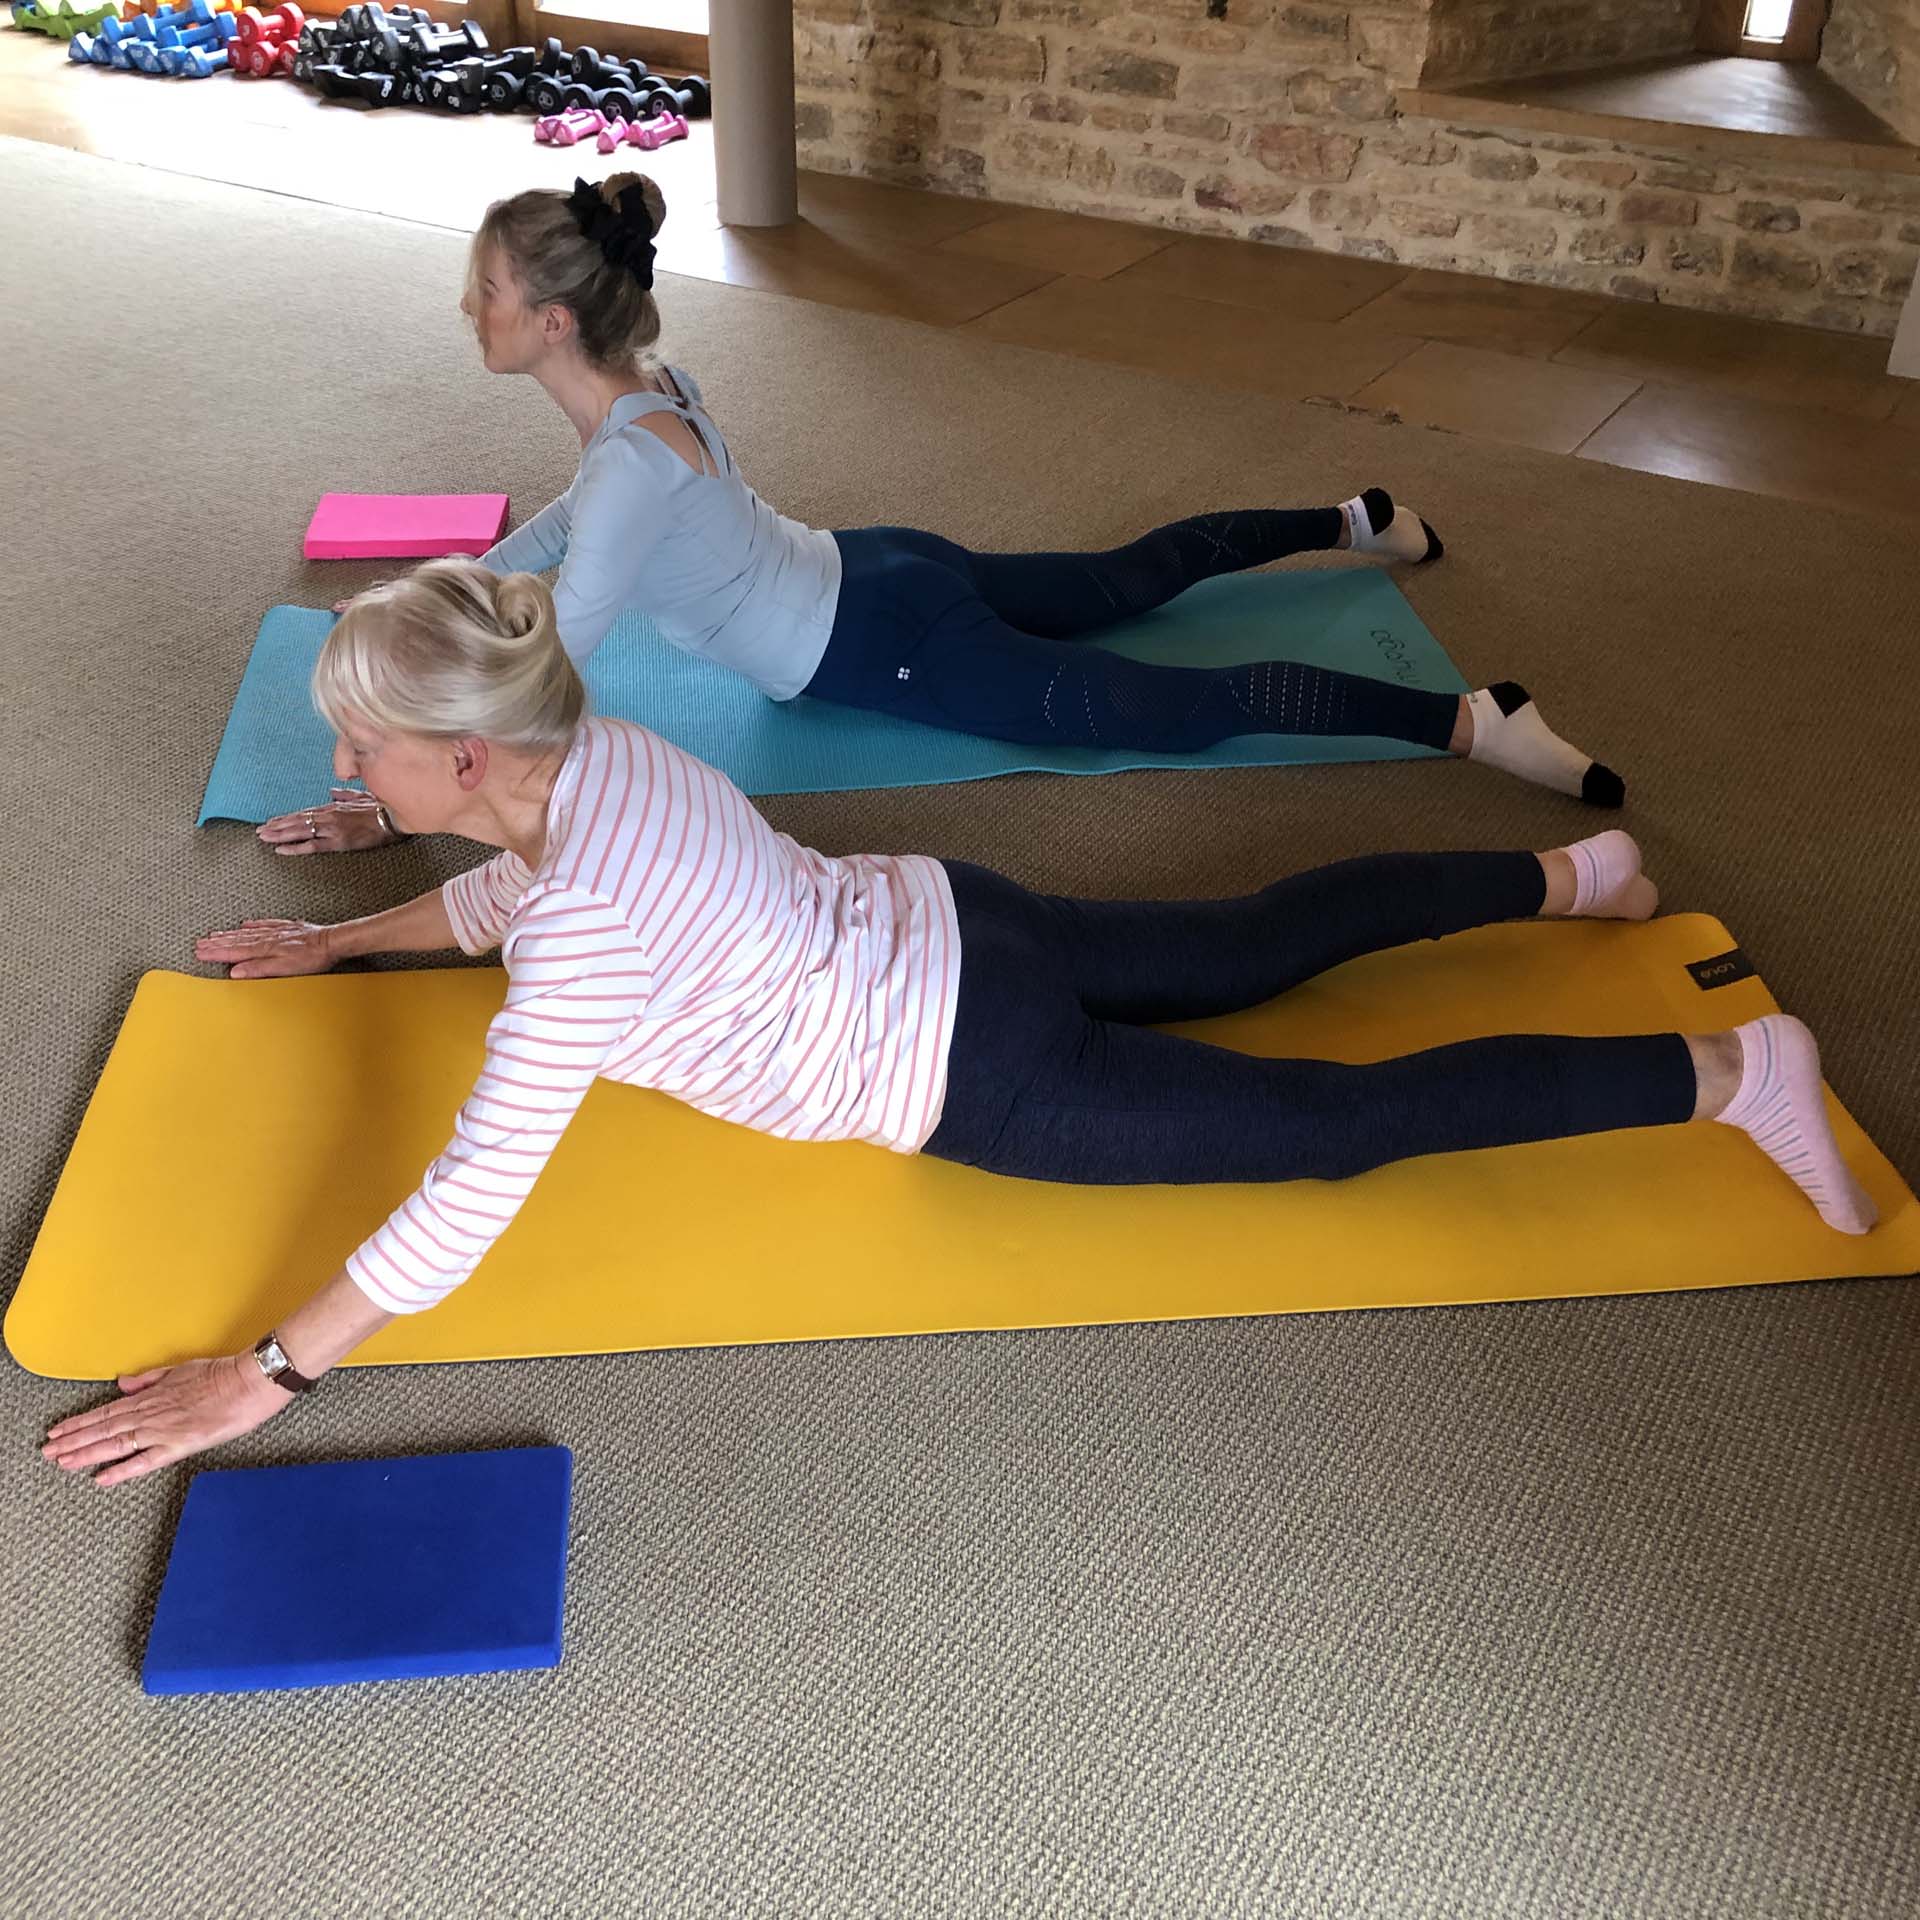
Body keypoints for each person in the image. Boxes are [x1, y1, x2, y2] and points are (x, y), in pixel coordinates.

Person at [48, 562, 1874, 1487]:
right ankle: (1582, 886)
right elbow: (504, 893)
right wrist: (357, 946)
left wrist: (261, 1380)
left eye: (361, 747)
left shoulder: (580, 932)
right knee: (1248, 937)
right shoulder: (600, 754)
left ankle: (1727, 1073)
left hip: (976, 1067)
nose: (343, 771)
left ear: (464, 756)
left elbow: (459, 1206)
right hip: (951, 915)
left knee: (1334, 1119)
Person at [259, 172, 1623, 858]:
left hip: (887, 644)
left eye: (484, 293)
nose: (468, 310)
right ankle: (1355, 510)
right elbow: (556, 537)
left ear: (550, 322)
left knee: (1160, 704)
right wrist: (420, 599)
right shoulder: (644, 398)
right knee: (1123, 579)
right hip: (880, 562)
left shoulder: (626, 470)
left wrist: (401, 801)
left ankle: (1465, 718)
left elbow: (553, 670)